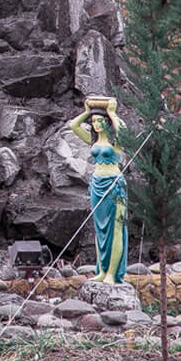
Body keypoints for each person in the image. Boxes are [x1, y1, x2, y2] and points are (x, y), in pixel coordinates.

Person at [67, 96, 128, 284]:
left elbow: (124, 132)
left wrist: (111, 112)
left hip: (114, 184)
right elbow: (73, 126)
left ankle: (112, 273)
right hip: (97, 184)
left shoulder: (115, 140)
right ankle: (102, 270)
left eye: (100, 121)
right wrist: (87, 112)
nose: (96, 124)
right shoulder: (93, 141)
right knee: (100, 229)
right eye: (93, 122)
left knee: (116, 229)